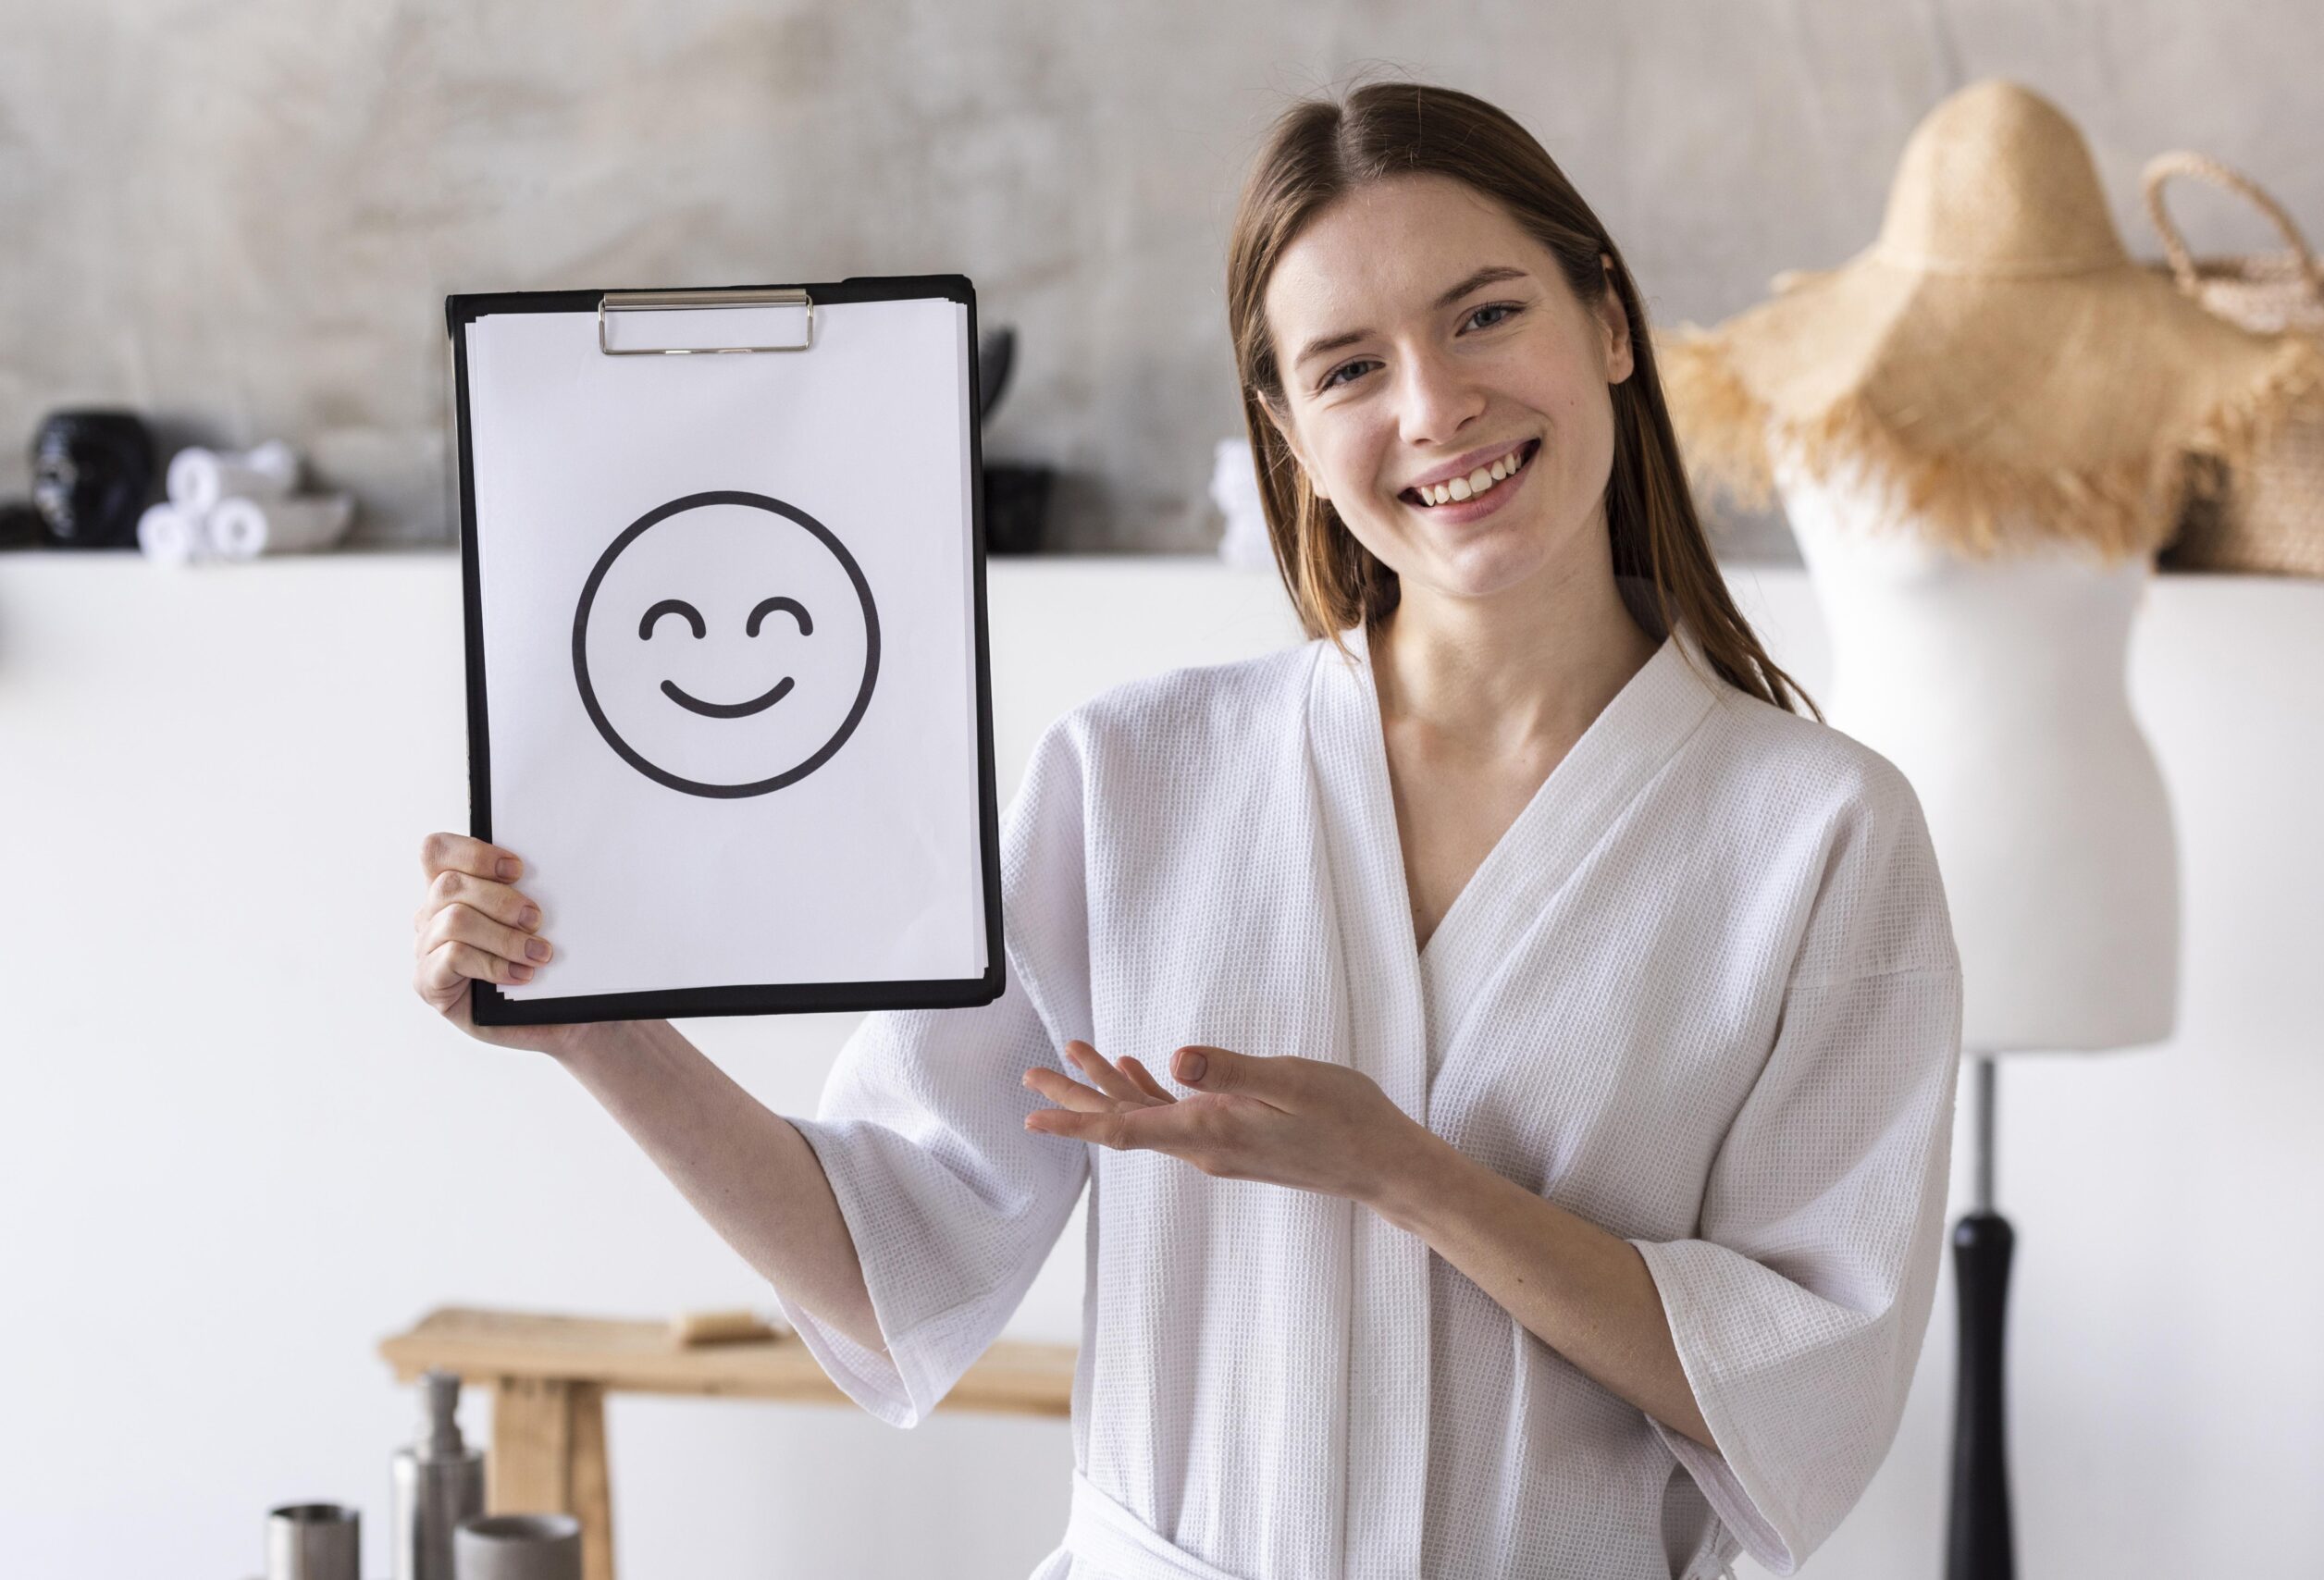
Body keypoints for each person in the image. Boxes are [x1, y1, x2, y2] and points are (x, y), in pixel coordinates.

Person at [414, 80, 1962, 1580]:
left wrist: (1402, 1173)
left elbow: (1805, 1392)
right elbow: (890, 1265)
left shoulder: (1818, 837)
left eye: (1486, 314)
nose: (1435, 406)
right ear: (1287, 429)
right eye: (1348, 368)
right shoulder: (1138, 776)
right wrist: (588, 1024)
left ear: (1608, 324)